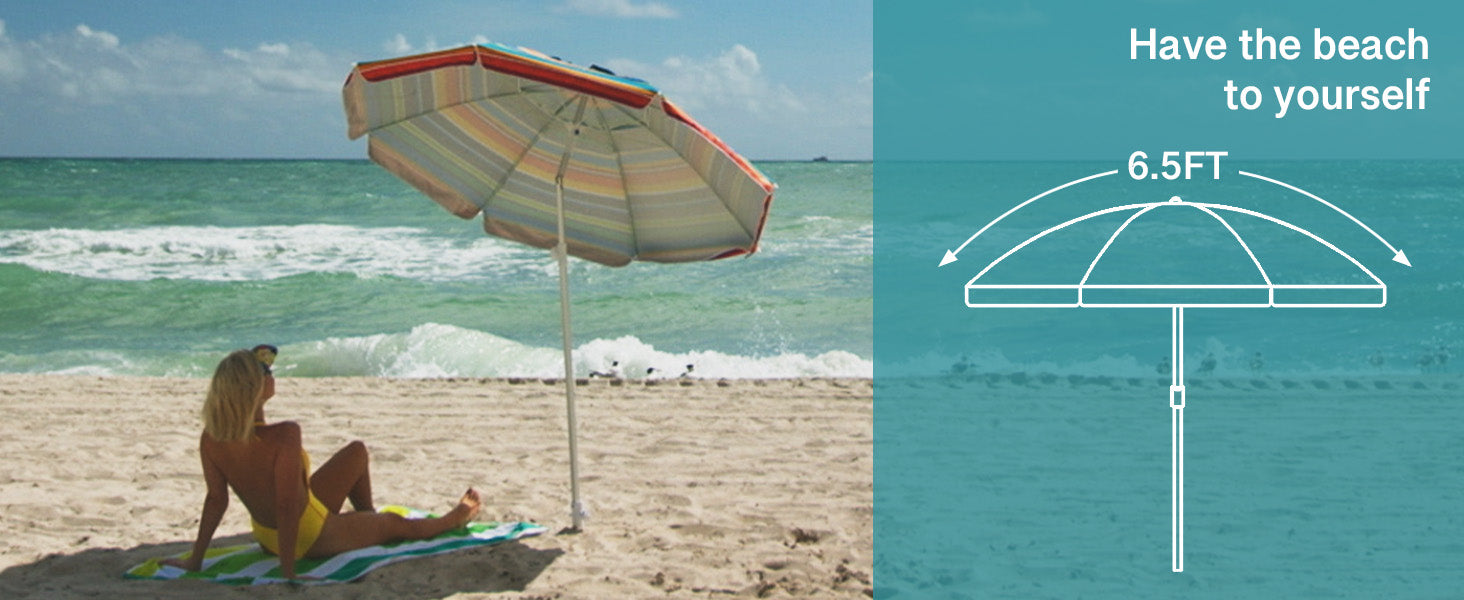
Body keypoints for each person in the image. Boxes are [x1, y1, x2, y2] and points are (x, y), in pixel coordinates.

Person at [163, 348, 482, 580]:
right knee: (393, 525)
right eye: (266, 372)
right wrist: (289, 572)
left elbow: (216, 500)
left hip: (266, 532)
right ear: (254, 390)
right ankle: (452, 519)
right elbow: (288, 505)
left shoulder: (212, 438)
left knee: (356, 453)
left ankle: (364, 521)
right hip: (308, 535)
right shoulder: (285, 435)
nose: (272, 375)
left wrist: (196, 560)